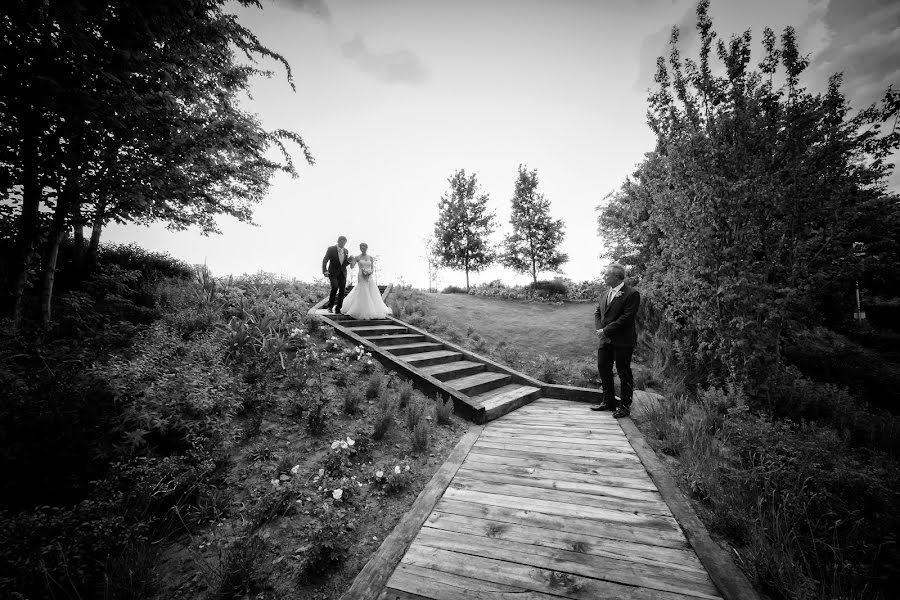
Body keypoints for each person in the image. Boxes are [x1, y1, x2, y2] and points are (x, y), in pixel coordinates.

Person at [591, 263, 640, 418]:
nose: (604, 277)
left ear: (617, 276)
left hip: (622, 341)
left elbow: (626, 318)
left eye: (607, 274)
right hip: (605, 340)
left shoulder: (631, 294)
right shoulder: (605, 293)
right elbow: (598, 313)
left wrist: (606, 331)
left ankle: (625, 406)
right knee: (603, 369)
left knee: (623, 372)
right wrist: (601, 332)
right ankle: (608, 401)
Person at [340, 243, 393, 320]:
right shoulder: (357, 257)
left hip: (369, 277)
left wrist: (369, 273)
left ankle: (373, 309)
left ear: (366, 248)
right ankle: (362, 310)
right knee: (363, 291)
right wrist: (351, 260)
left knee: (372, 291)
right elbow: (352, 267)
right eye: (361, 247)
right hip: (361, 276)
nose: (362, 248)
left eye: (364, 247)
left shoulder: (370, 257)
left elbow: (372, 268)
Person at [322, 236, 351, 314]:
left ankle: (338, 309)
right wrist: (325, 271)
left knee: (342, 291)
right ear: (338, 241)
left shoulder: (346, 251)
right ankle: (330, 307)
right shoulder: (331, 249)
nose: (343, 244)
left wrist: (349, 261)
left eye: (345, 243)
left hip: (343, 273)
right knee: (334, 287)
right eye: (342, 242)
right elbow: (325, 260)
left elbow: (343, 264)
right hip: (333, 273)